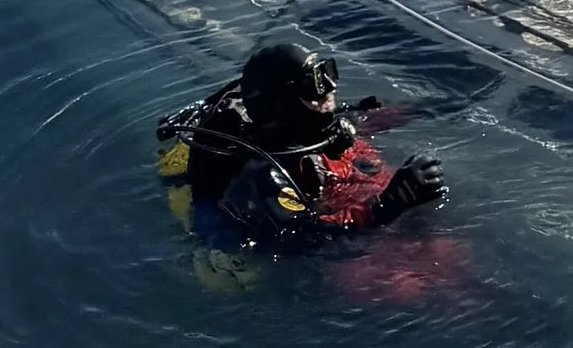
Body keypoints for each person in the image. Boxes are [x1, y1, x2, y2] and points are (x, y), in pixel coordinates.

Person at [157, 39, 446, 250]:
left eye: (328, 74)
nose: (330, 92)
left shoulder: (310, 125)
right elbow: (304, 234)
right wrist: (386, 205)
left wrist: (424, 109)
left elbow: (361, 121)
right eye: (315, 86)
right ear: (284, 104)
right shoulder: (262, 172)